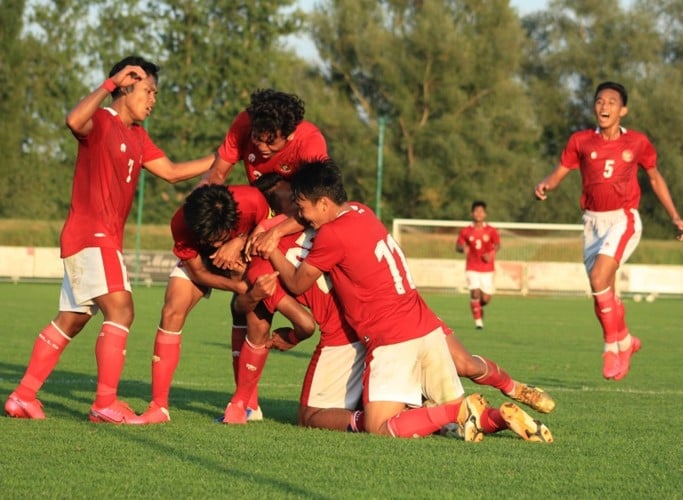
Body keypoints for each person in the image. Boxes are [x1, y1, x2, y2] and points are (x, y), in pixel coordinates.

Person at [264, 159, 554, 442]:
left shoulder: (332, 234)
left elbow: (296, 281)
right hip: (425, 328)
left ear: (324, 203)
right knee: (457, 422)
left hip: (392, 337)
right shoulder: (361, 211)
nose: (303, 217)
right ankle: (499, 417)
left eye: (303, 208)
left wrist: (271, 244)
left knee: (379, 426)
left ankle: (459, 408)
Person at [4, 55, 216, 423]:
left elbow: (171, 172)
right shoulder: (102, 120)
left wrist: (223, 158)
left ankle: (23, 396)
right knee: (122, 309)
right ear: (125, 86)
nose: (153, 100)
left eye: (155, 93)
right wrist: (107, 84)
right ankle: (104, 403)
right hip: (92, 235)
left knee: (71, 319)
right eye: (149, 91)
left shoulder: (138, 135)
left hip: (94, 240)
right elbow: (73, 120)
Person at [534, 81, 683, 381]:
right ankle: (626, 342)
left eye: (611, 102)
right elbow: (560, 172)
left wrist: (675, 216)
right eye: (599, 101)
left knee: (598, 278)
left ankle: (610, 348)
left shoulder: (637, 142)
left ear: (623, 110)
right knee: (601, 292)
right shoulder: (580, 141)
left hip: (623, 219)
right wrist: (546, 186)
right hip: (592, 222)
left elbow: (655, 179)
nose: (604, 106)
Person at [136, 184, 315, 424]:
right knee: (171, 311)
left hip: (248, 255)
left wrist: (239, 242)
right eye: (212, 240)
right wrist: (240, 288)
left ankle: (246, 405)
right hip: (203, 265)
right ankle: (158, 406)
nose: (218, 246)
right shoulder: (181, 223)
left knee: (253, 319)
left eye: (221, 239)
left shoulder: (252, 201)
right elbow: (198, 273)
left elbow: (266, 234)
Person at [200, 88, 329, 415]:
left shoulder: (310, 143)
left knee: (256, 305)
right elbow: (217, 175)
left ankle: (244, 403)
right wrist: (210, 226)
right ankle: (245, 402)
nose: (261, 147)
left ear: (291, 134)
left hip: (301, 228)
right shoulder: (245, 124)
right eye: (258, 137)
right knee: (243, 307)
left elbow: (317, 206)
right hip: (265, 226)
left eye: (272, 142)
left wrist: (263, 235)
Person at [456, 200, 500, 329]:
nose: (478, 214)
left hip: (487, 268)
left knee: (485, 299)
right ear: (472, 213)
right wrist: (462, 249)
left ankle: (477, 308)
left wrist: (491, 254)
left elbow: (497, 245)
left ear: (485, 214)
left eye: (481, 211)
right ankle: (478, 322)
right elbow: (458, 245)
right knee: (474, 293)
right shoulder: (465, 231)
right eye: (476, 211)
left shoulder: (491, 230)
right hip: (472, 267)